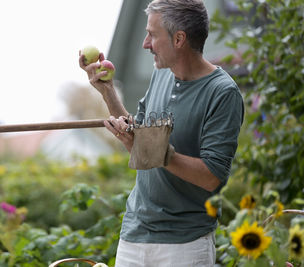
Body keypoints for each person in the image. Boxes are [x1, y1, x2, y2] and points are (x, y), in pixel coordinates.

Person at [79, 0, 244, 266]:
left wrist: (151, 147)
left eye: (152, 35)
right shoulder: (161, 74)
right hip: (134, 236)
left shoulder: (222, 93)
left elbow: (212, 177)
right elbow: (140, 143)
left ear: (179, 38)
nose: (145, 44)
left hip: (185, 245)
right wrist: (107, 91)